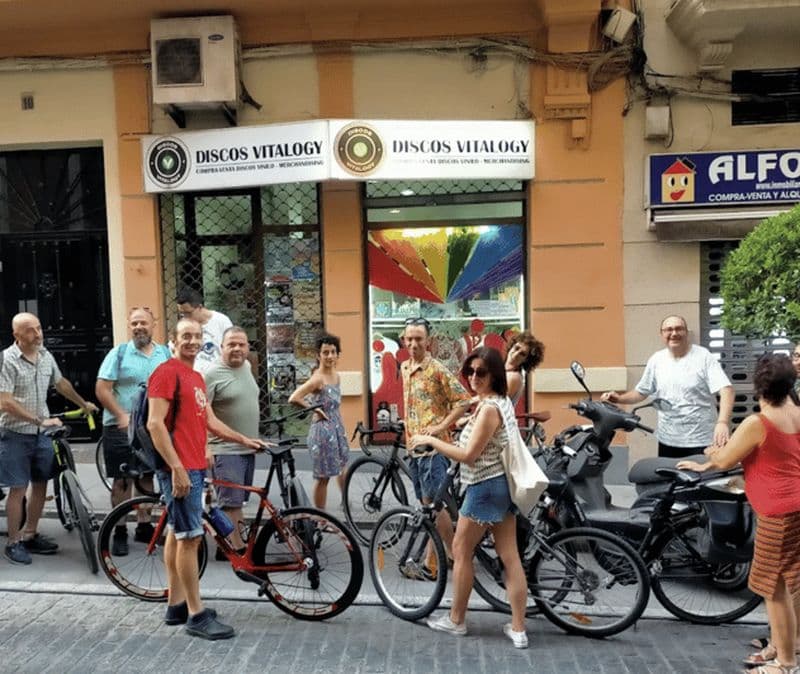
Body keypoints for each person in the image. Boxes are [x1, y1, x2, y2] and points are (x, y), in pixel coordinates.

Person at [677, 354, 800, 674]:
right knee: (787, 582)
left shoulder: (757, 422)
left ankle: (786, 663)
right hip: (795, 505)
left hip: (778, 511)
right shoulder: (796, 413)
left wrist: (709, 455)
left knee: (773, 588)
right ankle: (782, 645)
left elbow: (725, 459)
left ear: (759, 384)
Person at [147, 318, 262, 640]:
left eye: (197, 336)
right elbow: (154, 424)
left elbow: (209, 420)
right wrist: (177, 468)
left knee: (176, 532)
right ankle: (196, 615)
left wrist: (244, 440)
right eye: (185, 336)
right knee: (190, 538)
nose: (192, 341)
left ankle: (176, 605)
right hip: (181, 468)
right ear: (173, 341)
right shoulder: (166, 372)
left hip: (194, 465)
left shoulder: (195, 376)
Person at [410, 346, 528, 648]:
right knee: (510, 557)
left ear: (495, 375)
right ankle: (518, 629)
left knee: (461, 552)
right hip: (503, 487)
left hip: (484, 488)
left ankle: (456, 621)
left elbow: (468, 455)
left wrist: (432, 440)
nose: (474, 377)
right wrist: (457, 420)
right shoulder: (497, 401)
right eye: (470, 371)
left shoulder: (490, 409)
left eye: (481, 372)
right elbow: (472, 408)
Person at [0, 312, 98, 565]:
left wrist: (83, 403)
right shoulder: (7, 360)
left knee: (41, 482)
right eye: (30, 330)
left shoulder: (45, 355)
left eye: (39, 328)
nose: (38, 334)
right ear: (17, 335)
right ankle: (13, 542)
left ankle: (30, 533)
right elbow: (5, 402)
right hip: (14, 433)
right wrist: (39, 420)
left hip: (40, 434)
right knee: (18, 488)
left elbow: (61, 383)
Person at [600, 315, 734, 458]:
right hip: (668, 441)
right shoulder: (657, 360)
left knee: (701, 479)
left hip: (701, 440)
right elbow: (641, 392)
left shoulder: (703, 357)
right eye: (668, 330)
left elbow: (727, 390)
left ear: (686, 332)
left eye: (679, 329)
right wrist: (618, 399)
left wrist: (723, 422)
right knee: (668, 479)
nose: (674, 333)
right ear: (662, 334)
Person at [95, 307, 171, 555]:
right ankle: (118, 530)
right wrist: (120, 415)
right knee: (122, 479)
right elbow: (102, 389)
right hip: (119, 427)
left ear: (153, 324)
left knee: (147, 476)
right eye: (134, 323)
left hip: (152, 425)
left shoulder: (165, 353)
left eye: (143, 323)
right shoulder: (118, 354)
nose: (139, 327)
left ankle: (144, 526)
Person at [401, 317, 471, 564]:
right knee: (427, 504)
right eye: (409, 339)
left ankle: (453, 554)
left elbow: (463, 400)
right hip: (414, 449)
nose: (413, 344)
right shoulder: (405, 368)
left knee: (435, 506)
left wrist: (442, 425)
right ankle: (435, 559)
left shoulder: (437, 369)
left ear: (428, 341)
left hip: (434, 450)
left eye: (418, 339)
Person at [205, 326, 261, 558]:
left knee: (238, 500)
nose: (237, 348)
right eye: (231, 344)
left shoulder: (247, 366)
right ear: (222, 348)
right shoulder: (211, 374)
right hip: (225, 448)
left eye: (241, 344)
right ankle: (236, 550)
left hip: (246, 447)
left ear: (247, 347)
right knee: (232, 503)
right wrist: (206, 447)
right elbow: (201, 414)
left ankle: (226, 543)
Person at [288, 333, 349, 510]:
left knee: (343, 467)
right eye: (325, 352)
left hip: (336, 428)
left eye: (333, 352)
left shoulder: (336, 376)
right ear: (318, 355)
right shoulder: (317, 379)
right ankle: (321, 519)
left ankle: (345, 503)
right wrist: (314, 409)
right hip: (322, 432)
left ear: (338, 354)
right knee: (324, 477)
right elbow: (294, 397)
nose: (330, 356)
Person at [176, 288, 233, 375]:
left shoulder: (221, 321)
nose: (185, 317)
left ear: (200, 307)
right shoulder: (184, 325)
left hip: (219, 374)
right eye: (182, 314)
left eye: (188, 313)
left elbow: (230, 347)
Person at [504, 330, 545, 406]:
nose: (516, 354)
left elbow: (497, 403)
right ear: (511, 346)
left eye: (522, 354)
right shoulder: (503, 370)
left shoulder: (514, 377)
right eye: (516, 348)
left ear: (526, 360)